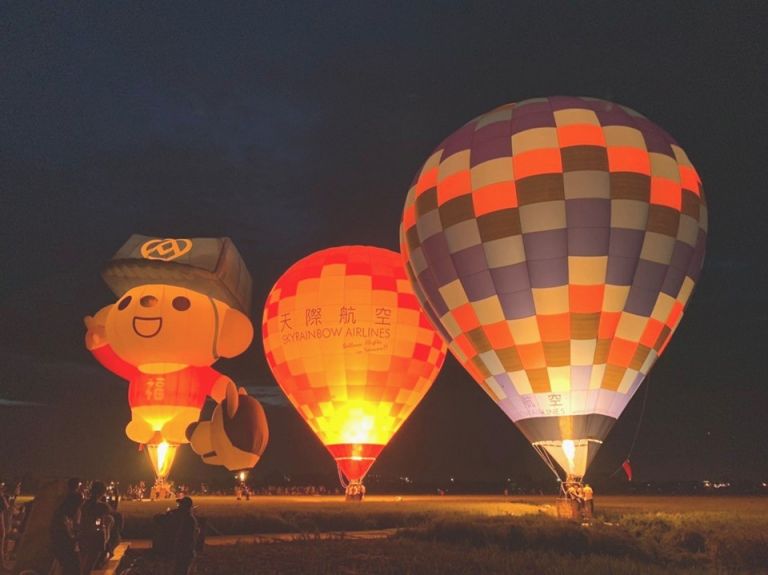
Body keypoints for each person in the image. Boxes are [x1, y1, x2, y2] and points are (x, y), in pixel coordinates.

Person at [79, 481, 114, 574]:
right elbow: (110, 513)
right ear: (102, 492)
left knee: (84, 562)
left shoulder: (84, 504)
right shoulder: (102, 506)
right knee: (90, 563)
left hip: (84, 534)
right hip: (96, 536)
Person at [50, 492, 83, 575]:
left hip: (70, 549)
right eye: (78, 506)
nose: (78, 509)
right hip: (66, 551)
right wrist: (79, 537)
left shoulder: (67, 516)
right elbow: (65, 537)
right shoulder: (61, 518)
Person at [170, 496, 198, 575]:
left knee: (181, 570)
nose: (179, 507)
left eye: (181, 505)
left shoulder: (188, 520)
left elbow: (187, 537)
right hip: (184, 550)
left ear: (185, 507)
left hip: (185, 551)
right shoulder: (186, 518)